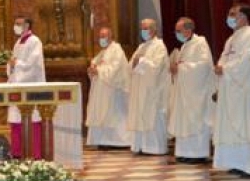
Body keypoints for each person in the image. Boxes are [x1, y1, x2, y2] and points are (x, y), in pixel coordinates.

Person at [168, 17, 215, 164]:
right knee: (184, 120)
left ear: (188, 30)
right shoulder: (184, 46)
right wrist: (176, 69)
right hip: (185, 92)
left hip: (196, 93)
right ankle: (184, 152)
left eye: (179, 31)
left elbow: (204, 65)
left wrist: (181, 68)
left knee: (195, 120)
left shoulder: (200, 43)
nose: (176, 33)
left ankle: (197, 154)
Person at [213, 4, 250, 177]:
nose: (229, 17)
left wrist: (226, 69)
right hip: (229, 88)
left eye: (233, 14)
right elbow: (223, 57)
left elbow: (246, 60)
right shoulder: (231, 38)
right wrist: (219, 67)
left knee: (244, 123)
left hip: (243, 89)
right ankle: (236, 162)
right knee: (230, 125)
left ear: (243, 16)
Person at [128, 19, 170, 155]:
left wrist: (141, 61)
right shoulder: (141, 47)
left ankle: (154, 148)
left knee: (153, 116)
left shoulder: (159, 46)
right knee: (140, 115)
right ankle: (141, 146)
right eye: (142, 28)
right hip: (140, 89)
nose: (143, 31)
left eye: (146, 28)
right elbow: (131, 66)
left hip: (153, 90)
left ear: (154, 29)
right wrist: (134, 63)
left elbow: (157, 67)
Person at [86, 27, 131, 148]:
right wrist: (92, 70)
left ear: (111, 37)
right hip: (101, 90)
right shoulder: (103, 52)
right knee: (101, 114)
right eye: (100, 36)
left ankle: (118, 142)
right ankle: (103, 141)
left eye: (104, 36)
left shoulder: (117, 50)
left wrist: (98, 70)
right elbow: (96, 64)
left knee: (114, 115)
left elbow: (115, 69)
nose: (102, 39)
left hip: (113, 90)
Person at [7, 17, 45, 158]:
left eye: (18, 24)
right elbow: (14, 62)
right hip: (17, 85)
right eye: (15, 23)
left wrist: (16, 63)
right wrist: (11, 65)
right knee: (16, 118)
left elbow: (33, 64)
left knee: (32, 117)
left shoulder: (35, 41)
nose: (15, 26)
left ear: (27, 25)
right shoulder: (18, 42)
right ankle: (17, 151)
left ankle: (35, 153)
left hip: (30, 86)